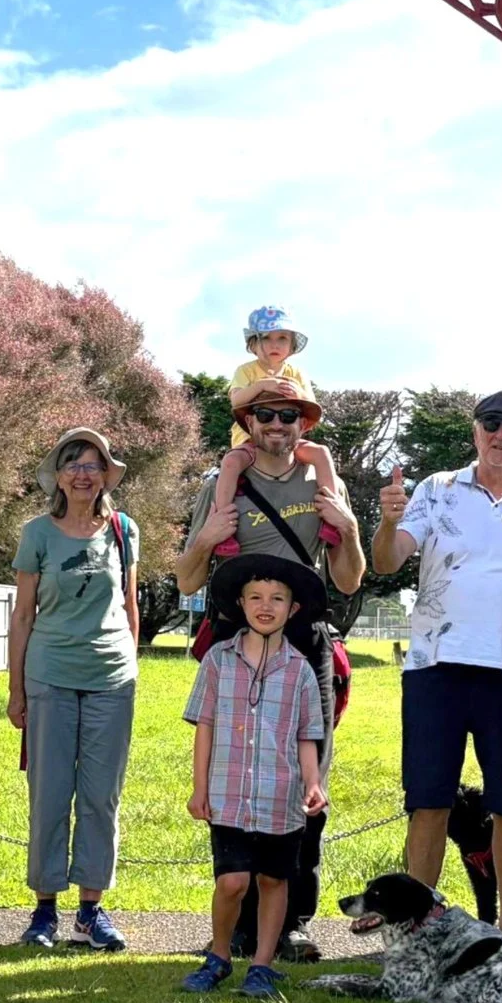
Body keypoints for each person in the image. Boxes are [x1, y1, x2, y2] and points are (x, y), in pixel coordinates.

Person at [174, 373, 368, 961]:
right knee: (237, 772)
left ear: (303, 424)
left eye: (289, 416)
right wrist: (206, 538)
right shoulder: (223, 485)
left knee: (305, 780)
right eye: (265, 416)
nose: (277, 426)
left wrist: (351, 527)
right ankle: (236, 924)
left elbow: (349, 578)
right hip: (237, 638)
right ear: (248, 424)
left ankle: (291, 923)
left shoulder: (321, 482)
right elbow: (186, 579)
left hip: (304, 643)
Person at [371, 389, 502, 930]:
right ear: (475, 430)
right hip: (436, 667)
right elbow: (387, 562)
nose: (501, 435)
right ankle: (416, 924)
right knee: (428, 802)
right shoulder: (436, 489)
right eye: (491, 424)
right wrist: (388, 520)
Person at [7, 428, 141, 952]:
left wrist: (132, 661)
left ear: (107, 473)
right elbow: (21, 615)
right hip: (50, 675)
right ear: (58, 476)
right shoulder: (37, 532)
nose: (83, 473)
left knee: (101, 798)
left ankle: (91, 912)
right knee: (49, 792)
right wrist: (16, 690)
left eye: (94, 464)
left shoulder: (124, 530)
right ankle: (44, 912)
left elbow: (129, 604)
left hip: (111, 678)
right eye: (73, 464)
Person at [181, 553, 330, 998]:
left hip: (280, 795)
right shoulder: (217, 661)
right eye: (256, 597)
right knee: (232, 881)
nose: (266, 606)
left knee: (273, 880)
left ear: (293, 609)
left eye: (277, 599)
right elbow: (204, 726)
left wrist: (312, 783)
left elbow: (308, 735)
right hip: (228, 794)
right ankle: (220, 955)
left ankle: (262, 965)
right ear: (241, 604)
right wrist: (200, 788)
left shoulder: (301, 670)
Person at [222, 306, 320, 452]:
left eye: (282, 338)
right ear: (253, 344)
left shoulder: (297, 374)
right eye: (266, 337)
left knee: (320, 453)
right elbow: (236, 401)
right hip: (249, 437)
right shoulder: (245, 371)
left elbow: (313, 406)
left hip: (287, 437)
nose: (275, 345)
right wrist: (261, 386)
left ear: (292, 345)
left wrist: (299, 393)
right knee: (233, 462)